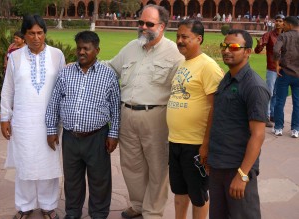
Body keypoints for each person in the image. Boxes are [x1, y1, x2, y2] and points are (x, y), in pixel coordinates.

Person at [104, 4, 184, 219]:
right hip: (127, 115)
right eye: (140, 22)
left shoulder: (175, 53)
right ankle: (138, 205)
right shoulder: (131, 46)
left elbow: (186, 88)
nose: (143, 27)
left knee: (157, 168)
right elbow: (110, 69)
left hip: (156, 117)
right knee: (131, 165)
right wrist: (83, 66)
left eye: (149, 24)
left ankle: (153, 212)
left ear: (162, 26)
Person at [45, 31, 120, 219]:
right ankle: (72, 213)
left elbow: (116, 108)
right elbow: (54, 102)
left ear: (97, 50)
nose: (81, 52)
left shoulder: (108, 75)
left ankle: (99, 213)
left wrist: (114, 134)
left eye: (86, 48)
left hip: (97, 137)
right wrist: (51, 130)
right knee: (72, 180)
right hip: (71, 137)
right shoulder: (66, 73)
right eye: (79, 48)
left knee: (99, 180)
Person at [0, 15, 65, 219]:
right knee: (25, 164)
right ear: (24, 35)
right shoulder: (16, 57)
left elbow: (63, 88)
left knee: (48, 164)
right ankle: (25, 205)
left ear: (45, 33)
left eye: (40, 33)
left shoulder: (57, 55)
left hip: (50, 122)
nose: (36, 37)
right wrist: (4, 117)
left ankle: (48, 205)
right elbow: (8, 89)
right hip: (24, 121)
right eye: (31, 33)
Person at [201, 29, 270, 219]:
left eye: (233, 47)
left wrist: (243, 175)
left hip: (237, 166)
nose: (226, 50)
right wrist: (206, 145)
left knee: (243, 215)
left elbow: (258, 134)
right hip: (218, 164)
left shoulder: (254, 86)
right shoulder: (227, 78)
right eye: (224, 45)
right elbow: (215, 112)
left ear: (247, 51)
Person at [167, 19, 223, 219]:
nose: (180, 41)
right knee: (179, 192)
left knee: (198, 195)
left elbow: (216, 107)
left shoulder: (208, 66)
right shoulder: (183, 63)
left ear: (199, 39)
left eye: (185, 37)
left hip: (196, 143)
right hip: (176, 140)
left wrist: (206, 144)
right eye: (178, 36)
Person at [254, 14, 285, 127]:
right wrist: (259, 45)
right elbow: (258, 50)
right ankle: (265, 116)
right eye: (276, 20)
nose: (277, 23)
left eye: (280, 21)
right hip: (272, 68)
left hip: (283, 69)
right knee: (269, 92)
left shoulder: (286, 35)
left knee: (277, 93)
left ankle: (272, 114)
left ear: (283, 23)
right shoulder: (269, 35)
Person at [273, 16, 299, 138]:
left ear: (289, 25)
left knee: (280, 101)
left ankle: (278, 128)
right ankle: (295, 129)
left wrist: (277, 65)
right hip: (298, 75)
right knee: (297, 102)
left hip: (284, 72)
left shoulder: (284, 36)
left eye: (284, 24)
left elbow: (276, 49)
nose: (282, 26)